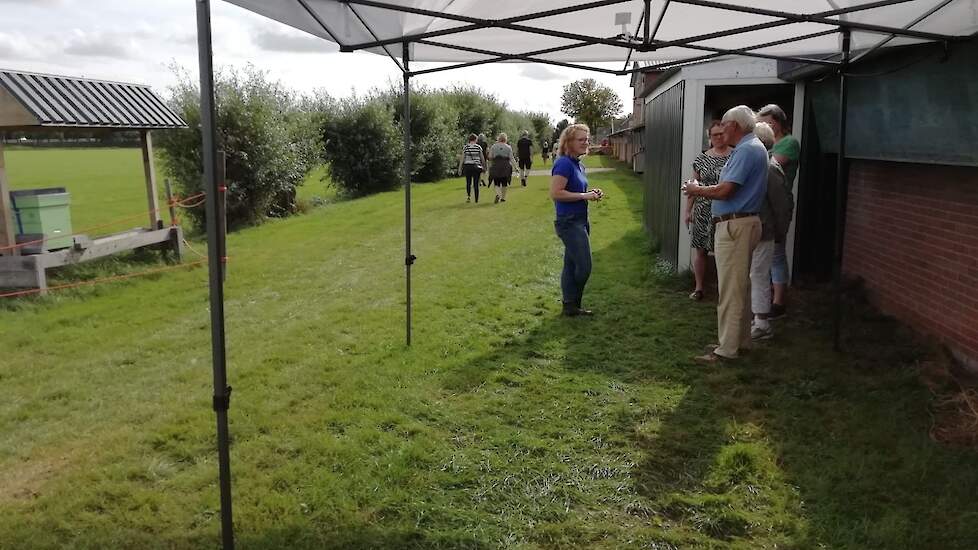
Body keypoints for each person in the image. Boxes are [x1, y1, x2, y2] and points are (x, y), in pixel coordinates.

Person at [683, 105, 767, 362]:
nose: (722, 130)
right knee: (739, 285)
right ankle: (737, 341)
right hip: (742, 223)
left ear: (735, 127)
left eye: (725, 126)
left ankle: (726, 350)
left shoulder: (745, 150)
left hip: (735, 225)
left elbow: (726, 190)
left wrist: (696, 190)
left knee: (730, 289)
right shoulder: (751, 147)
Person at [550, 124, 604, 317]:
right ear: (569, 142)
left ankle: (570, 306)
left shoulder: (578, 164)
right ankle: (573, 301)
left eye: (587, 139)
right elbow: (556, 193)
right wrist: (584, 196)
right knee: (584, 266)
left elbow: (578, 189)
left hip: (581, 219)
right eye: (581, 140)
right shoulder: (564, 163)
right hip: (569, 222)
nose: (585, 143)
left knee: (571, 264)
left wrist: (591, 193)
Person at [749, 122, 794, 341]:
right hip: (752, 230)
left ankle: (762, 323)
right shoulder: (759, 165)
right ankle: (756, 318)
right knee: (755, 274)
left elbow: (781, 205)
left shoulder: (769, 168)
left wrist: (780, 232)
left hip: (765, 230)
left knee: (759, 274)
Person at [757, 104, 799, 320]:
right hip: (762, 205)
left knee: (776, 253)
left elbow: (773, 165)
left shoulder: (789, 143)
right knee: (764, 254)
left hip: (778, 204)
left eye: (766, 123)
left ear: (777, 122)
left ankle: (779, 302)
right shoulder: (765, 144)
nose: (763, 127)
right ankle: (765, 299)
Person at [684, 121, 732, 301]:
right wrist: (688, 211)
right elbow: (692, 186)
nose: (719, 138)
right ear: (709, 138)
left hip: (726, 211)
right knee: (701, 251)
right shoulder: (701, 159)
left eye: (721, 134)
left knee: (724, 252)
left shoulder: (735, 156)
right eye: (715, 135)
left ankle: (724, 290)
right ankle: (699, 288)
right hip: (703, 210)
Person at [488, 133, 518, 203]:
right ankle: (503, 198)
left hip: (496, 165)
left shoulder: (493, 146)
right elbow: (512, 158)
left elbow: (490, 157)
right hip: (505, 166)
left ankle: (498, 194)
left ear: (498, 138)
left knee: (496, 183)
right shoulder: (508, 147)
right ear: (505, 139)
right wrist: (516, 167)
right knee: (504, 183)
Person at [457, 133, 486, 203]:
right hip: (476, 166)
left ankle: (468, 196)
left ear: (469, 140)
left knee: (468, 182)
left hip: (468, 166)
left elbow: (462, 158)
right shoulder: (478, 147)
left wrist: (460, 168)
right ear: (475, 139)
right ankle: (476, 199)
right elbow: (482, 158)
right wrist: (484, 167)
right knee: (476, 183)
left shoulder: (466, 147)